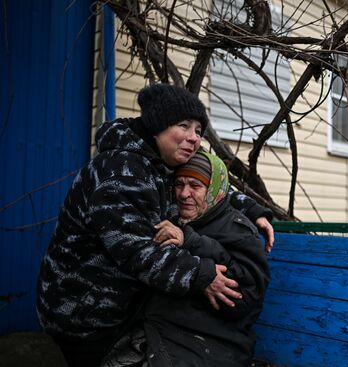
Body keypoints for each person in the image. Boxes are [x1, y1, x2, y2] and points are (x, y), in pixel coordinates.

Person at [36, 84, 273, 367]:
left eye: (199, 130)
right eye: (183, 125)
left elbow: (211, 185)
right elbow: (137, 251)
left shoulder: (157, 162)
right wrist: (202, 276)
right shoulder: (121, 170)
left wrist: (252, 209)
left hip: (116, 305)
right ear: (157, 126)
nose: (193, 138)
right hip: (83, 309)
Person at [103, 151, 270, 367]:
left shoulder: (238, 230)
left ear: (214, 190)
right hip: (159, 331)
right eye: (179, 184)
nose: (184, 194)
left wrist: (192, 244)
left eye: (195, 185)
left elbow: (242, 300)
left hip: (211, 343)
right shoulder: (174, 217)